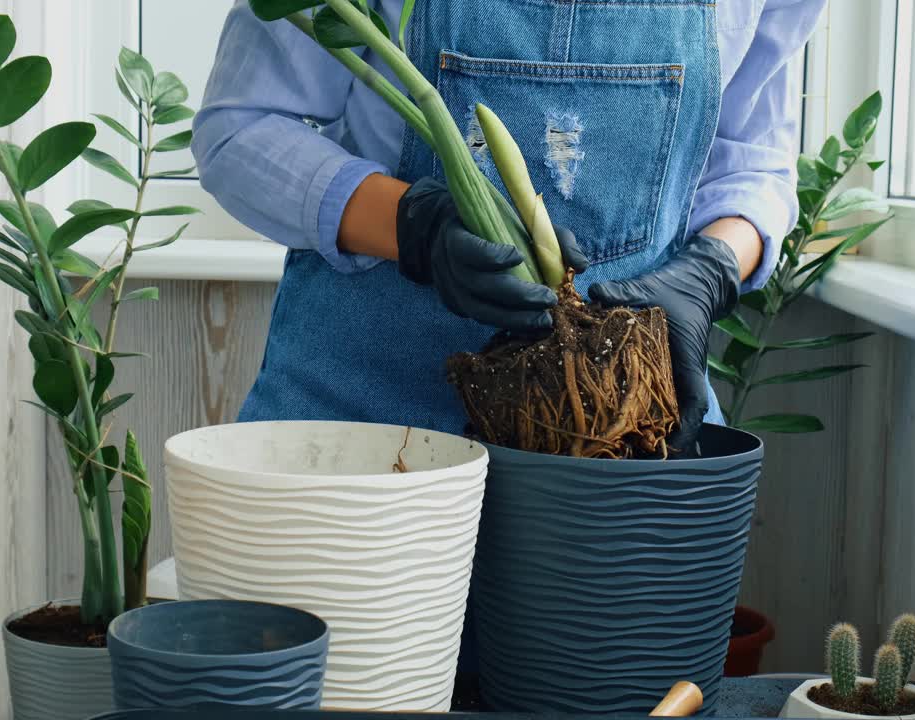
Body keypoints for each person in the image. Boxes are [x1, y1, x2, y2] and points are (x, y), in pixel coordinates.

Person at [193, 0, 827, 452]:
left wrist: (711, 270)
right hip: (359, 435)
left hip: (618, 438)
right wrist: (414, 227)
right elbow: (241, 129)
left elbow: (753, 159)